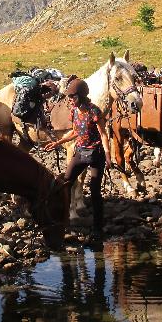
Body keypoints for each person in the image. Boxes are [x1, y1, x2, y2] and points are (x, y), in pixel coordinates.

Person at [44, 78, 112, 233]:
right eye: (69, 97)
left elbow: (103, 135)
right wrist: (58, 143)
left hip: (96, 154)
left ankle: (97, 226)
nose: (70, 100)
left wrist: (108, 155)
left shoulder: (94, 111)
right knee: (66, 182)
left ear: (81, 96)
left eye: (73, 97)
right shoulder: (74, 111)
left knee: (95, 190)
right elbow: (75, 131)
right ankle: (64, 217)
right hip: (80, 152)